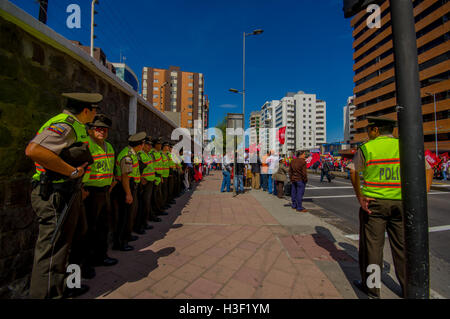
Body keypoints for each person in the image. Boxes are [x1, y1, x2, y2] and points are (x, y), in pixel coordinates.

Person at [25, 92, 101, 298]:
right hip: (56, 194)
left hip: (71, 192)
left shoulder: (78, 127)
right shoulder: (65, 124)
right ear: (86, 110)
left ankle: (70, 284)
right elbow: (34, 150)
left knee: (76, 237)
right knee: (53, 251)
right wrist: (72, 172)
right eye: (95, 110)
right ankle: (47, 294)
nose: (96, 114)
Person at [349, 116, 433, 299]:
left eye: (369, 129)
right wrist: (420, 198)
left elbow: (353, 172)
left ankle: (372, 289)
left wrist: (360, 196)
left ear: (376, 130)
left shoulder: (366, 148)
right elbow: (429, 169)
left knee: (372, 248)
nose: (368, 132)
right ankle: (408, 288)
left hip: (374, 205)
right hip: (402, 203)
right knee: (403, 248)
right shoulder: (406, 145)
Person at [80, 114, 118, 280]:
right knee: (88, 229)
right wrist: (81, 188)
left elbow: (110, 167)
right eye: (98, 128)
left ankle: (101, 256)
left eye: (105, 129)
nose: (102, 131)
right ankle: (86, 264)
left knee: (103, 225)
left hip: (105, 191)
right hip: (89, 192)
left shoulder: (109, 146)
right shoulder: (86, 145)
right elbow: (77, 168)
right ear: (91, 130)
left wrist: (111, 183)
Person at [113, 132, 146, 252]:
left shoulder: (132, 154)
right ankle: (120, 242)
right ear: (140, 144)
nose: (144, 146)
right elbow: (125, 176)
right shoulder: (127, 156)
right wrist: (128, 193)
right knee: (124, 216)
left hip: (132, 186)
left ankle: (127, 235)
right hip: (126, 187)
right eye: (143, 144)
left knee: (130, 214)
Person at [135, 136, 160, 235]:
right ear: (143, 145)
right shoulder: (140, 154)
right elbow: (138, 168)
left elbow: (151, 167)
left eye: (150, 145)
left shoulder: (149, 155)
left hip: (150, 181)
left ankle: (144, 223)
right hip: (143, 182)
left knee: (147, 203)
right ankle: (139, 225)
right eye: (147, 144)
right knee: (142, 205)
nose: (149, 146)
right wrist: (141, 178)